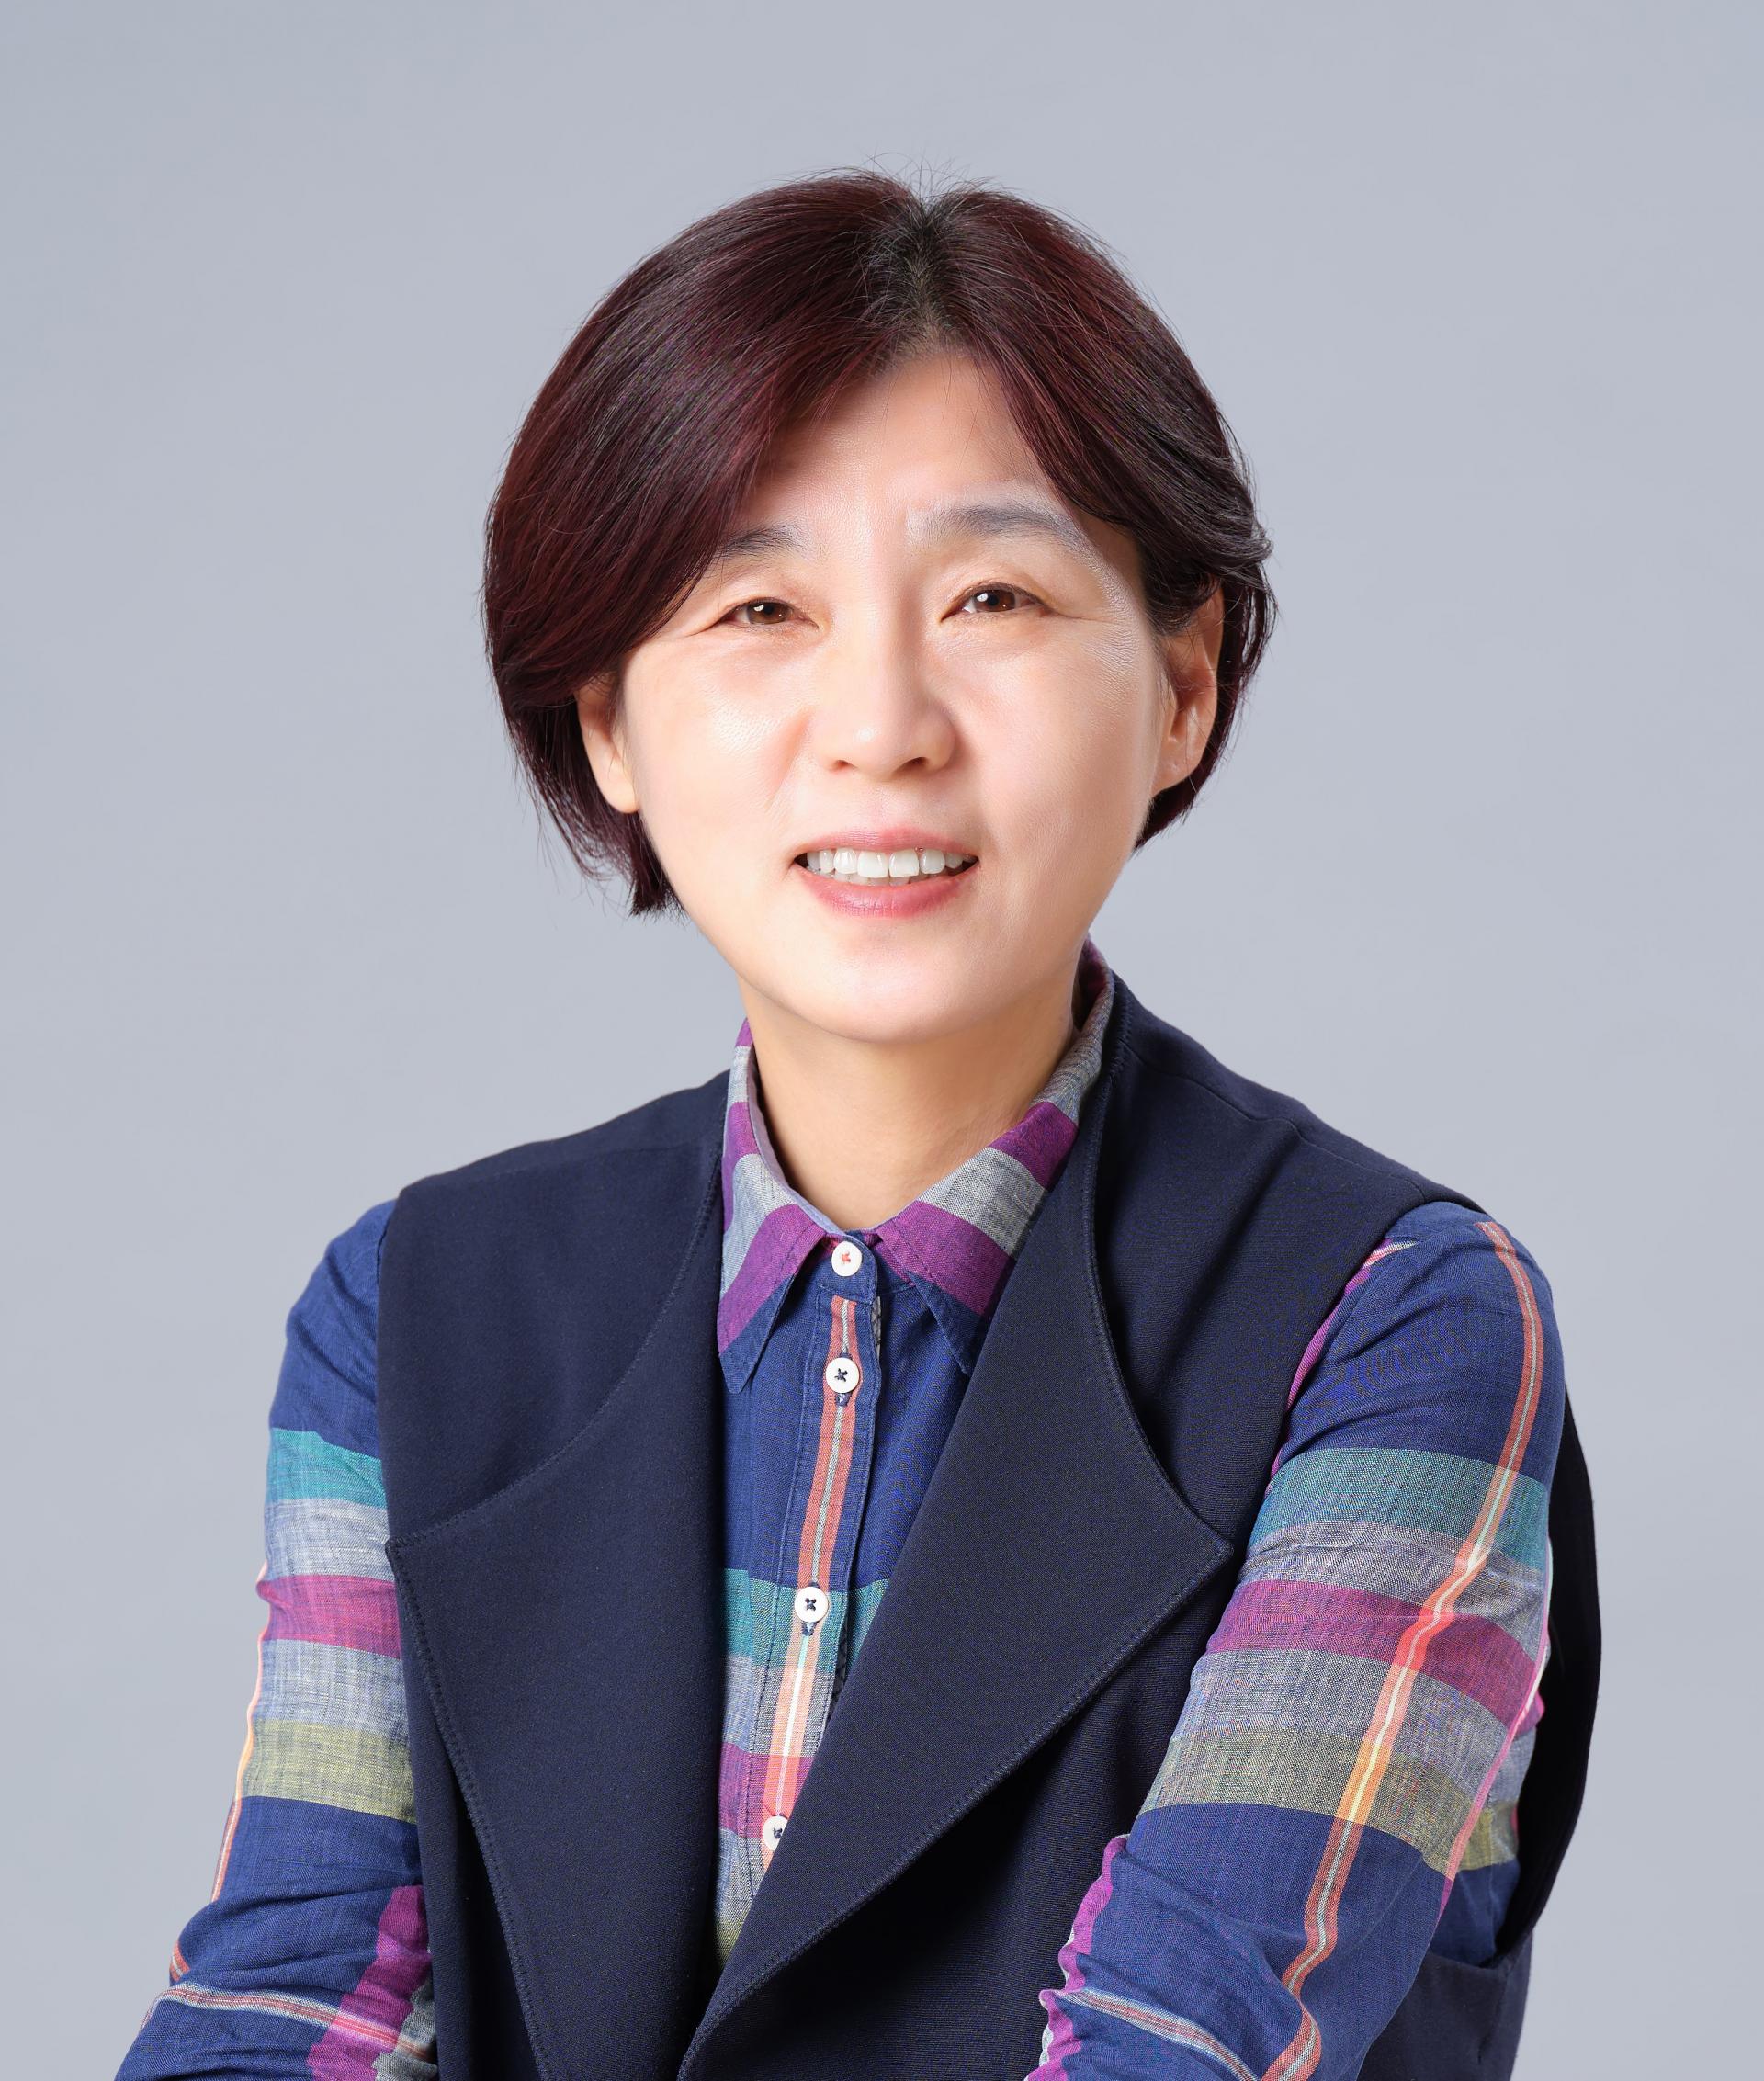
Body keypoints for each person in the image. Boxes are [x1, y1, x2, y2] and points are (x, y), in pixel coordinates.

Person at [116, 166, 1600, 2081]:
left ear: (1184, 681)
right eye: (761, 607)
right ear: (610, 724)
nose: (881, 720)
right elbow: (289, 2000)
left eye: (994, 597)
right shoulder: (409, 1315)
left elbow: (1185, 2038)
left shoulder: (1390, 1321)